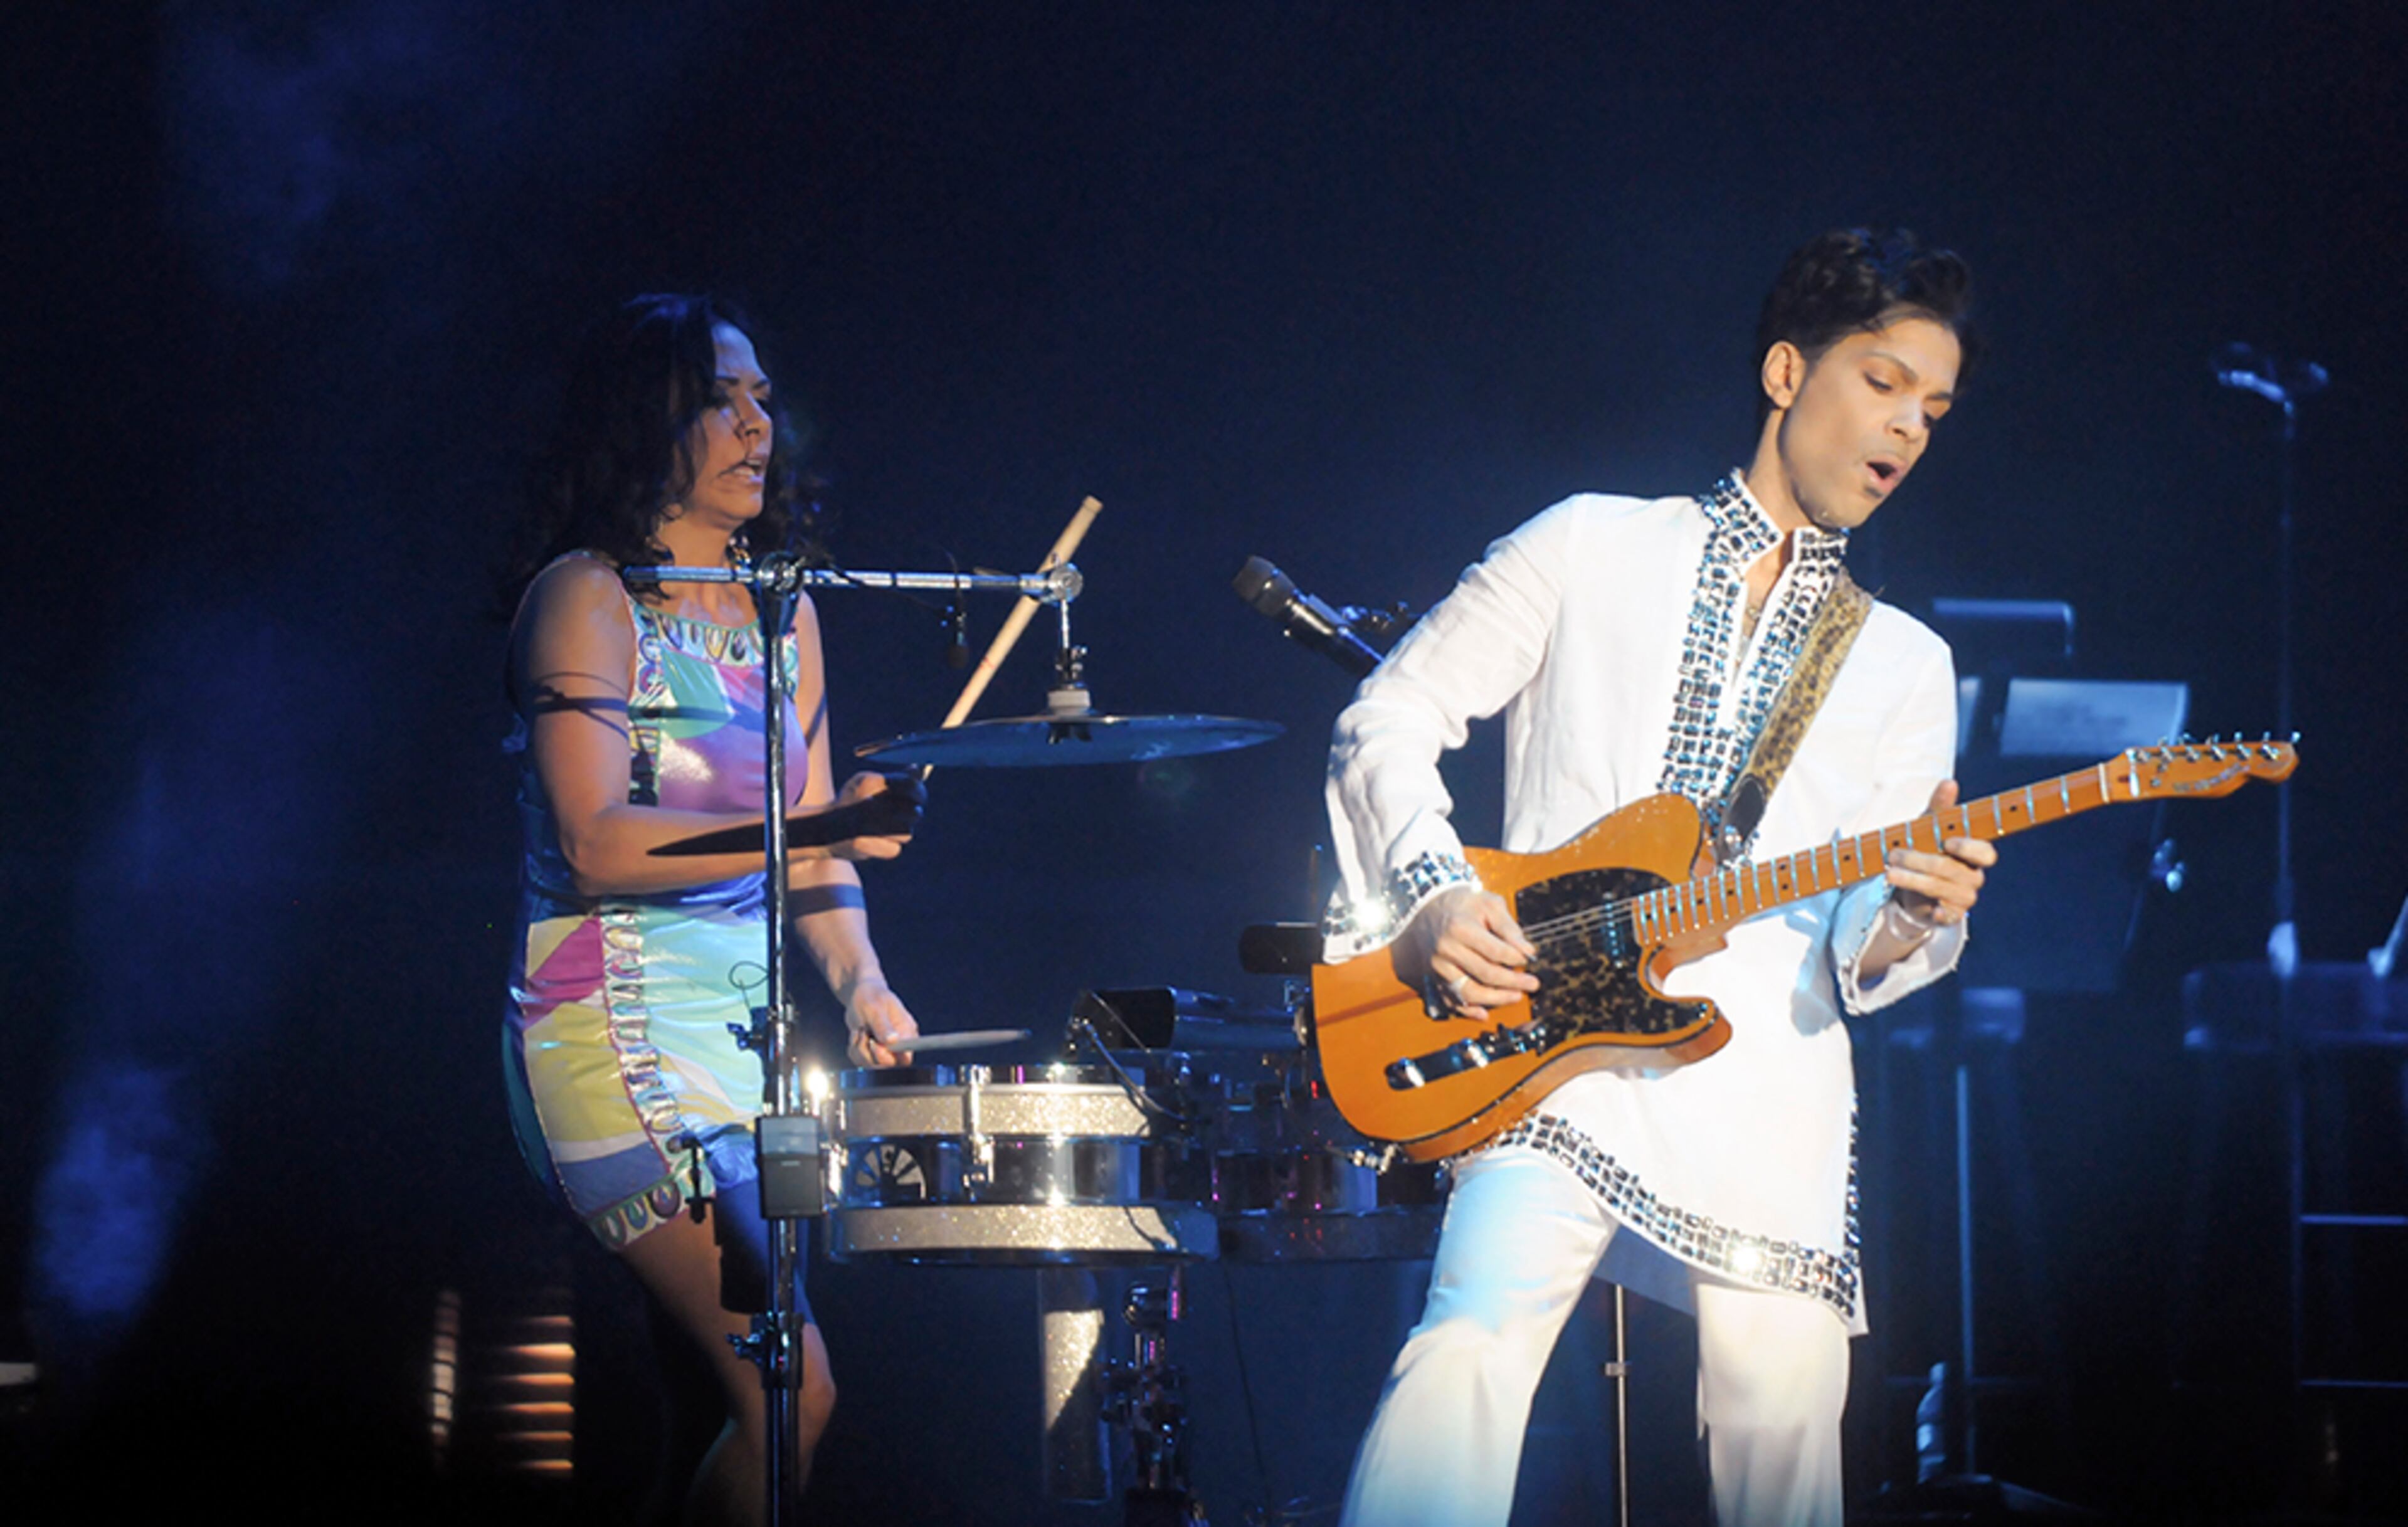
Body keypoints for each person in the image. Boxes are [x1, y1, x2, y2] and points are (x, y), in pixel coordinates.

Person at [1323, 230, 1999, 1527]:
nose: (1908, 427)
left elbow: (1856, 943)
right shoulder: (1589, 544)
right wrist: (1437, 890)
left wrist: (1912, 912)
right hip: (1549, 1046)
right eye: (1883, 383)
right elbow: (1389, 717)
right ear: (1787, 373)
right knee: (1469, 1343)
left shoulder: (1906, 663)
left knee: (1784, 1415)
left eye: (1935, 407)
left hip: (1764, 1079)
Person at [500, 294, 921, 1523]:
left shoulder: (786, 611)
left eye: (763, 400)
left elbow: (813, 852)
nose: (756, 425)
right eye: (719, 400)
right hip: (609, 1033)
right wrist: (816, 830)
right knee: (791, 1391)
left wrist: (862, 981)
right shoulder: (586, 597)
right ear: (647, 423)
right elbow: (593, 844)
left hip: (743, 1048)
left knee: (716, 1407)